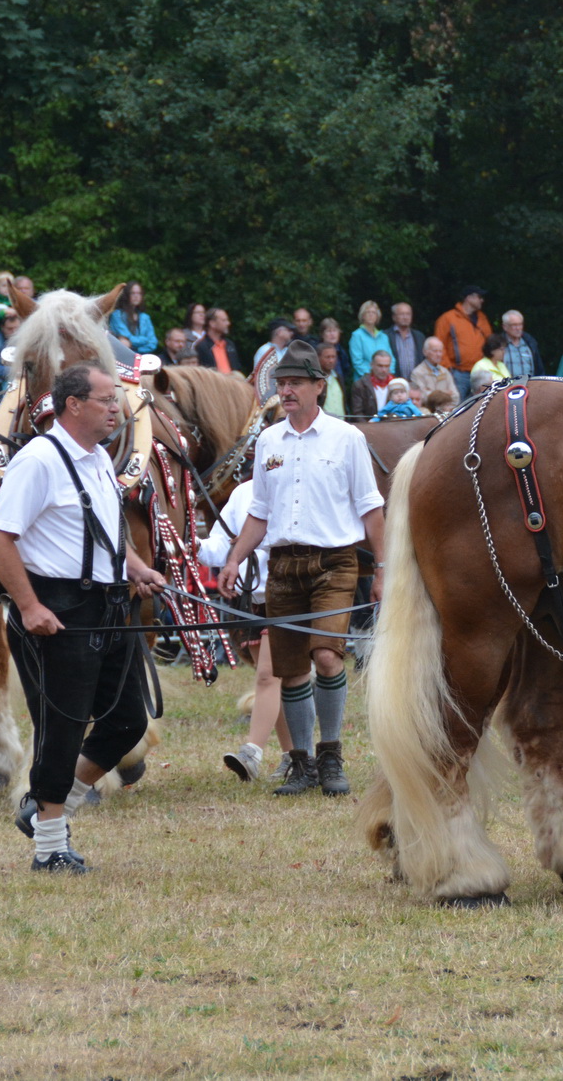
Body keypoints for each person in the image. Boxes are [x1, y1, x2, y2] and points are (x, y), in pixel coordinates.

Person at [0, 363, 169, 872]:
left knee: (128, 720)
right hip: (57, 609)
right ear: (73, 405)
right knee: (61, 729)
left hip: (108, 606)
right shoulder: (39, 461)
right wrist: (29, 606)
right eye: (107, 400)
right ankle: (49, 848)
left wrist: (135, 568)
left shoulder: (99, 460)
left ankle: (51, 805)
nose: (118, 409)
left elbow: (106, 530)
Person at [218, 340, 385, 796]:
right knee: (291, 669)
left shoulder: (348, 438)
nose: (287, 391)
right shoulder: (269, 440)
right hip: (283, 565)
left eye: (296, 383)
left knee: (327, 655)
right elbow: (259, 512)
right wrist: (234, 557)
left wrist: (384, 568)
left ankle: (331, 757)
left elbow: (372, 509)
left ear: (319, 386)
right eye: (282, 384)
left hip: (335, 563)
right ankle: (301, 763)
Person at [198, 477, 294, 780]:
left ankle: (252, 752)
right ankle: (295, 756)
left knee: (269, 675)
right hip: (253, 599)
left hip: (289, 593)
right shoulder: (242, 492)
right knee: (275, 680)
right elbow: (216, 548)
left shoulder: (297, 485)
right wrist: (186, 544)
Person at [434, 286, 493, 397]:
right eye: (479, 297)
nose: (482, 300)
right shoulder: (448, 318)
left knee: (480, 408)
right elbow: (439, 345)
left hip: (480, 372)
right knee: (457, 408)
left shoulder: (482, 318)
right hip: (457, 373)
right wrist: (448, 369)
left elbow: (490, 343)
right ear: (469, 298)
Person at [108, 282, 158, 355]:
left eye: (139, 293)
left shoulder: (145, 317)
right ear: (126, 295)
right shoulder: (117, 315)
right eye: (133, 293)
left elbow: (153, 343)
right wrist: (145, 340)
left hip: (142, 357)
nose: (136, 296)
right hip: (123, 356)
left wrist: (134, 347)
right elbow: (125, 337)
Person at [252, 320, 296, 400]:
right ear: (279, 332)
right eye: (288, 330)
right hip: (269, 397)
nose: (291, 333)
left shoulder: (287, 351)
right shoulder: (265, 350)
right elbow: (260, 378)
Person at [498, 310, 546, 379]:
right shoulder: (498, 345)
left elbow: (539, 370)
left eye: (520, 324)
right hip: (506, 388)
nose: (518, 328)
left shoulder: (530, 343)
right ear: (505, 327)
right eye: (514, 325)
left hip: (529, 387)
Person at [195, 307, 244, 374]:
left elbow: (237, 369)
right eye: (224, 320)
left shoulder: (229, 345)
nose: (228, 323)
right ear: (212, 323)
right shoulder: (201, 347)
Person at [349, 301, 393, 376]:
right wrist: (373, 377)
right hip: (365, 381)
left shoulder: (384, 337)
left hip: (385, 380)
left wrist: (388, 374)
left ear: (377, 316)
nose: (371, 314)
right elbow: (357, 362)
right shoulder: (357, 336)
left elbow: (392, 359)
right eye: (367, 312)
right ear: (362, 316)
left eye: (373, 312)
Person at [387, 301, 427, 381]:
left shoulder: (419, 336)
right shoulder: (386, 336)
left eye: (408, 314)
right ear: (394, 317)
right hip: (394, 381)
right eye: (402, 314)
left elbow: (424, 360)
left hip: (416, 383)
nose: (405, 317)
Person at [410, 336, 459, 400]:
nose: (438, 354)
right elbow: (422, 397)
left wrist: (432, 393)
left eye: (440, 351)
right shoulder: (417, 373)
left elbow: (456, 397)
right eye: (435, 351)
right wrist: (444, 393)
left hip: (446, 409)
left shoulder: (445, 372)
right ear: (425, 352)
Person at [349, 350, 395, 419]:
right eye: (380, 366)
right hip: (368, 427)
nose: (384, 370)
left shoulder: (396, 384)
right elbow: (357, 413)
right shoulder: (360, 385)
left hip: (391, 426)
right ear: (371, 365)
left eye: (387, 366)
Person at [318, 317, 351, 385]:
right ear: (322, 334)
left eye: (335, 331)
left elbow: (346, 370)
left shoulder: (342, 352)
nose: (332, 334)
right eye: (329, 331)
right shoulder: (318, 351)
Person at [316, 343, 346, 417]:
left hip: (341, 423)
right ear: (318, 358)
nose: (331, 360)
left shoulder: (339, 378)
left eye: (333, 357)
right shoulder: (314, 380)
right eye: (327, 357)